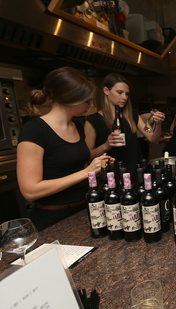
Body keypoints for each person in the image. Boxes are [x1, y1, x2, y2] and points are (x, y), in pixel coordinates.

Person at [17, 67, 113, 231]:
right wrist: (86, 172)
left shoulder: (77, 125)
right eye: (87, 101)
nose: (90, 106)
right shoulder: (35, 130)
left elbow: (72, 163)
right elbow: (30, 190)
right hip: (53, 220)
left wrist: (98, 164)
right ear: (70, 100)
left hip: (83, 211)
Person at [84, 73, 165, 174]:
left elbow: (153, 138)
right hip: (111, 176)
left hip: (136, 173)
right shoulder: (93, 121)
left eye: (126, 94)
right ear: (106, 91)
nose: (124, 97)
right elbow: (87, 156)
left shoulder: (133, 116)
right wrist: (105, 146)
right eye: (119, 92)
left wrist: (158, 124)